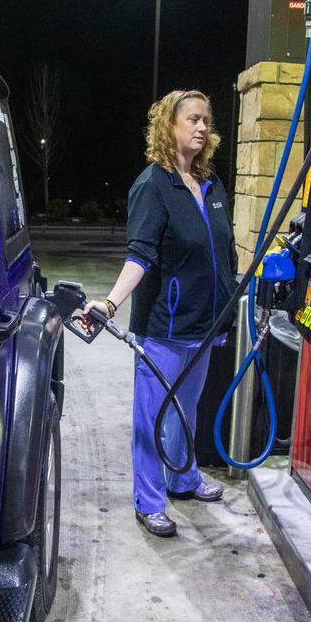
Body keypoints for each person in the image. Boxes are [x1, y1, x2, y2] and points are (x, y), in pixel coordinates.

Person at [83, 90, 238, 537]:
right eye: (192, 119)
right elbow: (140, 255)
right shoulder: (153, 185)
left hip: (204, 327)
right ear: (169, 126)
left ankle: (183, 479)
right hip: (163, 328)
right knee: (150, 418)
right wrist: (110, 302)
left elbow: (224, 252)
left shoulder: (210, 185)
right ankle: (149, 501)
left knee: (185, 413)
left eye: (206, 120)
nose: (202, 127)